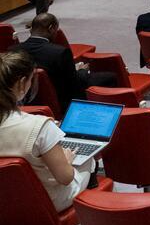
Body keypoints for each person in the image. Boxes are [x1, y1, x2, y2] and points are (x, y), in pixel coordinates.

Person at [0, 51, 96, 211]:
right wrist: (66, 161)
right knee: (89, 157)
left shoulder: (40, 126)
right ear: (22, 83)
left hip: (5, 201)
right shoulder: (40, 126)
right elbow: (65, 178)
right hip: (46, 203)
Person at [14, 14, 116, 103]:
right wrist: (82, 71)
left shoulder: (13, 50)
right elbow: (74, 83)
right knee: (110, 77)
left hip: (28, 100)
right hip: (63, 100)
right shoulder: (60, 52)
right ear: (51, 28)